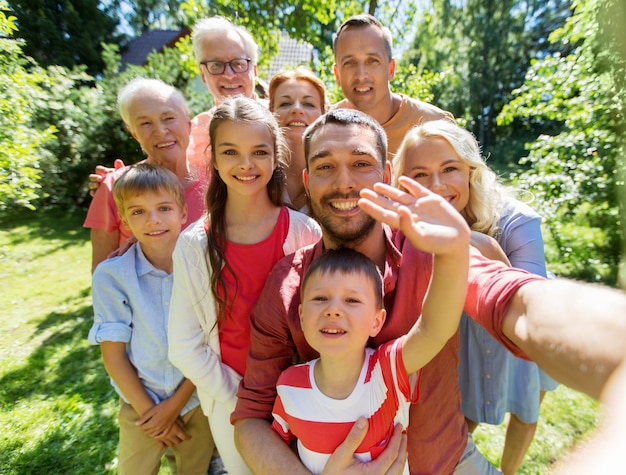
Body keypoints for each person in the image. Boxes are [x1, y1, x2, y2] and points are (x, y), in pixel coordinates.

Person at [232, 107, 626, 475]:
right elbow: (251, 418)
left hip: (447, 462)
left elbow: (515, 302)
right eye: (324, 167)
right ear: (306, 181)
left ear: (385, 175)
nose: (344, 182)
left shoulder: (433, 252)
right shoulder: (287, 283)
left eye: (360, 164)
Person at [392, 119, 558, 474]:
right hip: (459, 331)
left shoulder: (516, 220)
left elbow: (532, 303)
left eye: (449, 169)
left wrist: (479, 244)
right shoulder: (404, 227)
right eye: (420, 174)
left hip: (518, 330)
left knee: (526, 407)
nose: (436, 186)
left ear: (470, 171)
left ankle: (509, 470)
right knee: (464, 410)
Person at [167, 96, 322, 474]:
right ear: (214, 158)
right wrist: (241, 395)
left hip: (303, 397)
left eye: (259, 152)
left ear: (276, 157)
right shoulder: (194, 244)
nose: (246, 164)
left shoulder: (303, 232)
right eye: (231, 151)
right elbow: (183, 346)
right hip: (231, 401)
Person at [271, 198, 470, 474]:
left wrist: (453, 252)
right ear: (302, 316)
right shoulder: (288, 386)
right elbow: (278, 447)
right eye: (320, 298)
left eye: (352, 301)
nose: (333, 310)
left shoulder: (385, 371)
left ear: (377, 321)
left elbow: (434, 329)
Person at [87, 163, 213, 474]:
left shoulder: (208, 266)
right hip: (139, 403)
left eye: (163, 208)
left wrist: (174, 406)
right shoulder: (112, 275)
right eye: (138, 211)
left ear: (183, 213)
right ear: (124, 219)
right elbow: (113, 356)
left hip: (196, 398)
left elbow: (213, 342)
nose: (153, 220)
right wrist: (152, 414)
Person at [83, 77, 206, 272]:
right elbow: (102, 274)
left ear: (188, 123)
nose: (160, 131)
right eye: (145, 123)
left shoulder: (218, 183)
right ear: (134, 133)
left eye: (168, 118)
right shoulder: (113, 186)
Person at [331, 14, 454, 159]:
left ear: (390, 69)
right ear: (337, 74)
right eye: (349, 62)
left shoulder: (435, 124)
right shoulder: (324, 129)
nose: (361, 75)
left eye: (372, 61)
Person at [188, 15, 265, 166]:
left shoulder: (282, 119)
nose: (229, 75)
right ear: (203, 74)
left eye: (238, 63)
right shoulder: (192, 136)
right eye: (216, 65)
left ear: (254, 70)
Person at [268, 67, 330, 211]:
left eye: (308, 104)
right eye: (285, 103)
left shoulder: (336, 176)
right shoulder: (256, 174)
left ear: (324, 114)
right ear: (271, 113)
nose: (296, 109)